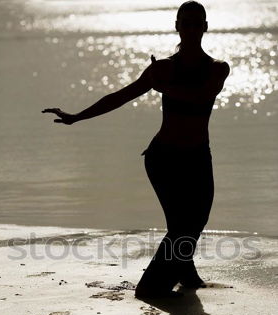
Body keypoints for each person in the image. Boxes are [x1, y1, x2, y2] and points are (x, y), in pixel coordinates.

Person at [42, 1, 230, 299]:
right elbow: (122, 96)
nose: (192, 28)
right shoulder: (165, 68)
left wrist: (163, 87)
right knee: (184, 224)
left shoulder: (217, 68)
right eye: (187, 22)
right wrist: (77, 117)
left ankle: (185, 270)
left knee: (191, 222)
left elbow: (201, 96)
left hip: (198, 157)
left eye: (198, 23)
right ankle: (151, 287)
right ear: (177, 26)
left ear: (205, 27)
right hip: (164, 158)